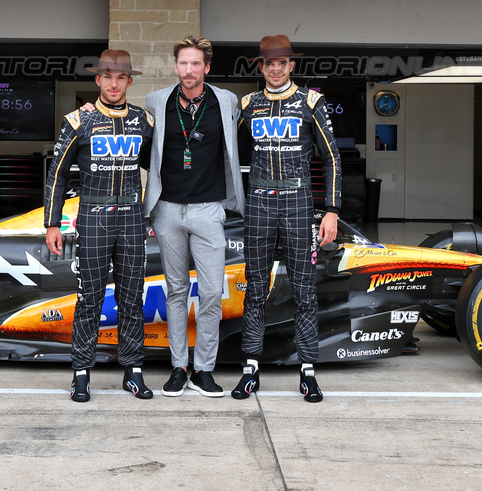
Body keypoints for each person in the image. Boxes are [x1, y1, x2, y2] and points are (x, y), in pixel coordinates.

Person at [232, 34, 340, 403]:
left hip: (298, 204)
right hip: (259, 204)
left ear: (291, 65)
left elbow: (332, 159)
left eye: (282, 63)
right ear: (260, 67)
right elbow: (237, 155)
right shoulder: (248, 105)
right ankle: (250, 369)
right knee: (255, 289)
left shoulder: (311, 102)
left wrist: (332, 210)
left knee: (304, 291)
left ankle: (308, 371)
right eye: (269, 64)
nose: (275, 69)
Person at [44, 49, 154, 403]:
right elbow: (57, 175)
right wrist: (52, 224)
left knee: (131, 298)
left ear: (129, 82)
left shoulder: (144, 121)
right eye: (107, 77)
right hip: (92, 217)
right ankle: (81, 373)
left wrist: (152, 213)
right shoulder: (78, 121)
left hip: (132, 219)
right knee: (89, 297)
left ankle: (133, 371)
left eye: (120, 77)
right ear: (97, 80)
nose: (113, 84)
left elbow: (162, 170)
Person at [144, 35, 246, 397]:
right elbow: (146, 153)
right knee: (174, 291)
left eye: (195, 64)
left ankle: (204, 369)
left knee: (210, 293)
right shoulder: (156, 101)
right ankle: (178, 367)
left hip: (208, 209)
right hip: (167, 209)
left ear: (206, 67)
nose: (189, 70)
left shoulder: (227, 101)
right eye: (183, 63)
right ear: (176, 67)